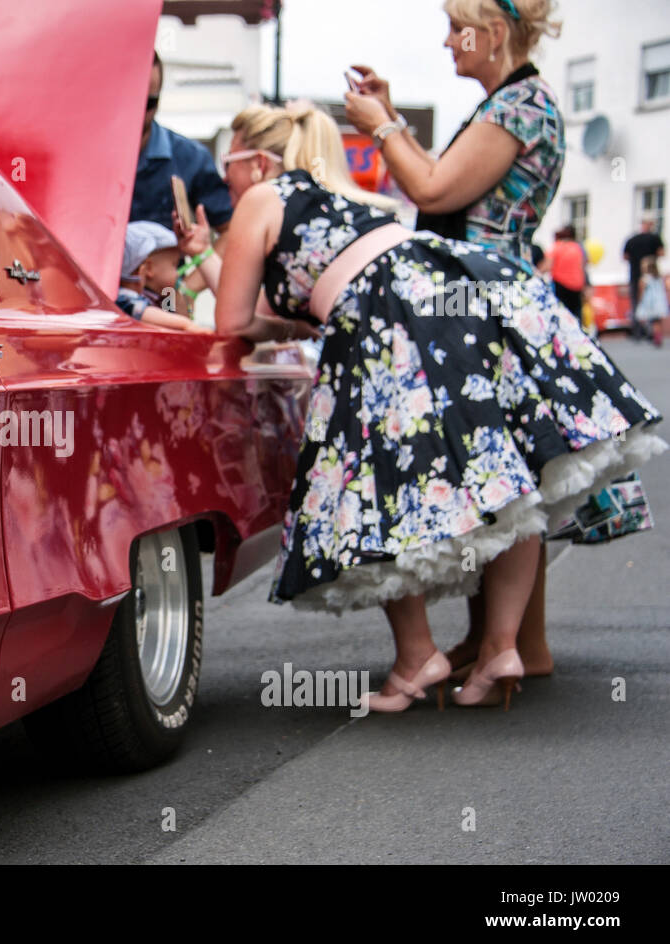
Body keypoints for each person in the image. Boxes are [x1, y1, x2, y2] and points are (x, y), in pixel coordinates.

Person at [214, 101, 665, 712]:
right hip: (460, 284)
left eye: (228, 161)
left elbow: (233, 321)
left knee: (376, 487)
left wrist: (292, 329)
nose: (224, 176)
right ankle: (502, 646)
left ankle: (416, 658)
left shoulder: (262, 198)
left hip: (387, 319)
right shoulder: (348, 197)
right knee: (508, 471)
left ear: (260, 159)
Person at [345, 0, 565, 685]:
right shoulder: (514, 103)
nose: (446, 43)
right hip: (490, 294)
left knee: (497, 468)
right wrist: (395, 119)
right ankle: (512, 643)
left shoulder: (517, 107)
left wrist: (380, 129)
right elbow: (446, 189)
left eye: (455, 28)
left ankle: (512, 643)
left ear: (493, 34)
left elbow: (434, 186)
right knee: (505, 467)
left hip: (484, 299)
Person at [133, 51, 234, 262]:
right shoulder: (85, 155)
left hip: (163, 293)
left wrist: (189, 286)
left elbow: (232, 231)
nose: (138, 111)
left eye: (148, 103)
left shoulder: (189, 158)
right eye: (131, 100)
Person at [116, 219, 211, 331]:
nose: (177, 273)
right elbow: (143, 312)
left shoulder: (160, 297)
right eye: (174, 265)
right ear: (149, 269)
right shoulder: (122, 298)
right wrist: (186, 325)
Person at [624, 218, 664, 330]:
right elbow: (661, 253)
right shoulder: (655, 238)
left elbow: (625, 256)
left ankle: (637, 329)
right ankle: (651, 329)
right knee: (653, 304)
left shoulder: (631, 240)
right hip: (652, 274)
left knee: (636, 301)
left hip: (635, 274)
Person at [545, 225, 586, 320]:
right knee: (576, 315)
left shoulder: (557, 246)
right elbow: (583, 267)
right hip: (577, 286)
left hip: (561, 285)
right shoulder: (578, 247)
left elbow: (547, 266)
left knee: (562, 315)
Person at [634, 257, 669, 347]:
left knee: (653, 321)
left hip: (650, 302)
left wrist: (639, 301)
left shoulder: (644, 279)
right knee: (658, 321)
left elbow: (641, 291)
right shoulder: (659, 278)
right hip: (660, 301)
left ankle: (655, 336)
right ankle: (658, 335)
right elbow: (665, 288)